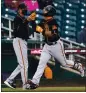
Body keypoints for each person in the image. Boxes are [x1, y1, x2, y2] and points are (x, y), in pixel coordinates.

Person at [26, 5, 84, 89]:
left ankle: (78, 65)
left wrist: (43, 31)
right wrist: (33, 20)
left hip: (56, 45)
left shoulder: (54, 22)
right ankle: (35, 82)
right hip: (47, 46)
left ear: (50, 12)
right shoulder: (43, 21)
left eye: (46, 10)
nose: (44, 10)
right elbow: (36, 29)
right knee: (41, 64)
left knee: (64, 64)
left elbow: (53, 36)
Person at [4, 3, 36, 89]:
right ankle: (25, 85)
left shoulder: (23, 19)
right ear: (19, 10)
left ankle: (9, 80)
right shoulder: (17, 18)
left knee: (22, 65)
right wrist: (28, 19)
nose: (25, 9)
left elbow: (34, 28)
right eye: (24, 8)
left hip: (23, 42)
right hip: (19, 41)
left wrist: (32, 19)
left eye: (26, 8)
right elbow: (21, 25)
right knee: (24, 64)